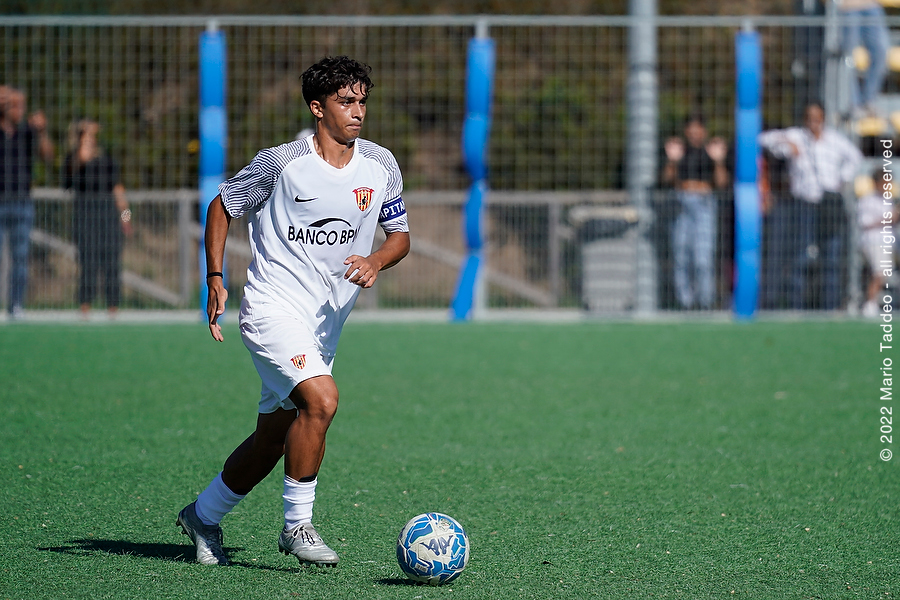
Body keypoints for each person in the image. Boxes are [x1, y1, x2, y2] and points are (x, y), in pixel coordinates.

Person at [176, 56, 410, 567]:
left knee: (275, 436)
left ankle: (203, 515)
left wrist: (374, 260)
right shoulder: (280, 162)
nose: (357, 112)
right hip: (270, 308)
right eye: (345, 101)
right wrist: (215, 278)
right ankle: (296, 527)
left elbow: (401, 237)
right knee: (322, 401)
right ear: (317, 107)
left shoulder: (381, 164)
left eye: (362, 101)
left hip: (324, 323)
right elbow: (222, 206)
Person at [758, 102, 863, 310]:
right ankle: (797, 305)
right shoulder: (797, 136)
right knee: (800, 255)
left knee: (831, 257)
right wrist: (787, 143)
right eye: (809, 117)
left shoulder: (834, 140)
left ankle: (830, 306)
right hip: (803, 205)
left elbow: (855, 157)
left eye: (817, 118)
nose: (813, 122)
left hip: (829, 204)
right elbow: (763, 138)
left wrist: (842, 179)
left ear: (823, 118)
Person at [660, 113, 729, 310]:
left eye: (698, 130)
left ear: (704, 132)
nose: (694, 134)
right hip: (682, 205)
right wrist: (672, 160)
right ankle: (685, 302)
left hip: (704, 206)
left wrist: (718, 161)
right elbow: (667, 180)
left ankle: (705, 302)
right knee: (681, 255)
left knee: (702, 258)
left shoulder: (710, 152)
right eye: (690, 130)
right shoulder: (680, 151)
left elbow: (721, 182)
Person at [64, 119, 132, 317]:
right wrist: (82, 135)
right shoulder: (73, 160)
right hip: (85, 218)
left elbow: (118, 189)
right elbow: (82, 159)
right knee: (88, 263)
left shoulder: (107, 160)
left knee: (112, 263)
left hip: (108, 217)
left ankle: (113, 307)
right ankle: (85, 306)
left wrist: (126, 216)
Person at [0, 86, 54, 319]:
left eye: (22, 105)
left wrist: (42, 132)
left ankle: (16, 305)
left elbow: (49, 156)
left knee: (21, 256)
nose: (20, 109)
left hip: (22, 202)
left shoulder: (27, 132)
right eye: (14, 104)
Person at [840, 0, 891, 118]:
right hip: (847, 9)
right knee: (847, 56)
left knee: (881, 51)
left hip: (871, 6)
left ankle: (869, 100)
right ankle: (853, 103)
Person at [858, 167, 894, 317]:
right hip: (874, 241)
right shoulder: (867, 200)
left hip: (889, 242)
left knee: (881, 273)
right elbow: (864, 223)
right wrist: (890, 219)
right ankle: (870, 304)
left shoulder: (890, 200)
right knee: (879, 273)